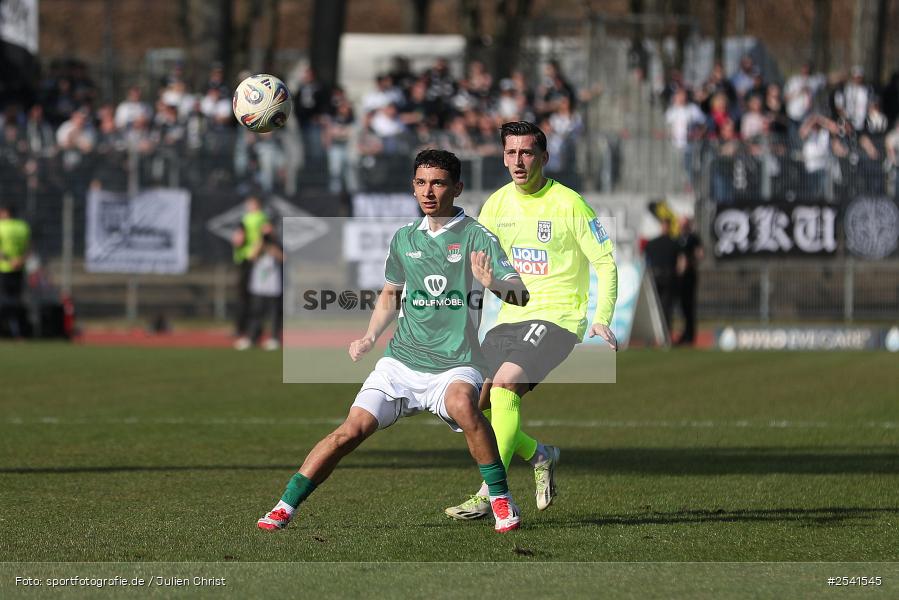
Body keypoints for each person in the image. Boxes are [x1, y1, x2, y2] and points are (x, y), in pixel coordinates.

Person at [257, 149, 530, 533]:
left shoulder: (477, 237)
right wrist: (370, 336)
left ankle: (501, 500)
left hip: (456, 361)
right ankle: (285, 506)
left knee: (464, 407)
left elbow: (521, 295)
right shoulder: (404, 238)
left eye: (437, 182)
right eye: (421, 183)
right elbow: (391, 293)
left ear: (457, 188)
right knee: (348, 432)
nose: (428, 191)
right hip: (400, 362)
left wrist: (494, 284)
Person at [444, 121, 618, 521]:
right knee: (470, 405)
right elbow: (478, 265)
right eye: (510, 153)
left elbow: (604, 263)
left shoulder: (569, 203)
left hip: (557, 316)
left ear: (543, 157)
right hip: (508, 316)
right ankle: (539, 455)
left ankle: (491, 493)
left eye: (526, 153)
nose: (518, 161)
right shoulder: (497, 205)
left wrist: (601, 317)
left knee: (505, 384)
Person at [232, 195, 270, 349]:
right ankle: (245, 329)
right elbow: (239, 236)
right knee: (244, 297)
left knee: (254, 297)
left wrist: (255, 252)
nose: (248, 205)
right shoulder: (246, 218)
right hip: (243, 259)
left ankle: (253, 331)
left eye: (251, 203)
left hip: (253, 260)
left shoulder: (261, 217)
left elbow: (265, 235)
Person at [243, 232, 284, 351]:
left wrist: (272, 248)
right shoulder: (257, 247)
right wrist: (260, 246)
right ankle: (253, 338)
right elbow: (250, 257)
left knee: (274, 315)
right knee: (256, 313)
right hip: (259, 287)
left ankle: (274, 338)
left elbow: (283, 258)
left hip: (273, 288)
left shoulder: (276, 247)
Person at [0, 204, 31, 338]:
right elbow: (29, 248)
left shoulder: (1, 226)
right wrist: (19, 261)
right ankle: (18, 332)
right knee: (16, 301)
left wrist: (9, 260)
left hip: (4, 269)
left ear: (6, 213)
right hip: (19, 269)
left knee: (4, 301)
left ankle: (7, 331)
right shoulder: (23, 226)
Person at [644, 219, 679, 338]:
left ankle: (663, 335)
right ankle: (662, 335)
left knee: (663, 308)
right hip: (663, 278)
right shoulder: (673, 243)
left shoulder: (655, 243)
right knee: (661, 308)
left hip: (662, 278)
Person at [675, 217, 704, 346]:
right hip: (679, 278)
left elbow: (700, 254)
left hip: (689, 276)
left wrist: (690, 262)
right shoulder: (677, 240)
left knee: (689, 306)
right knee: (682, 306)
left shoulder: (693, 238)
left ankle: (690, 335)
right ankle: (684, 333)